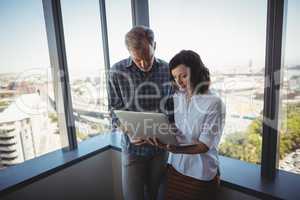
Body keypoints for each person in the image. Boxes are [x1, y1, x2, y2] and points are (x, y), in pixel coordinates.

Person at [149, 50, 226, 200]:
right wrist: (163, 132)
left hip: (200, 173)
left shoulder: (214, 102)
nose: (179, 82)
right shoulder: (178, 97)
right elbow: (181, 130)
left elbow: (204, 145)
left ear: (197, 73)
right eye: (175, 77)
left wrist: (175, 149)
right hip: (176, 168)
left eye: (184, 76)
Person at [108, 26, 173, 200]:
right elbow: (113, 111)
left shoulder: (168, 70)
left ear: (155, 46)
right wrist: (128, 130)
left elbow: (172, 108)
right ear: (129, 52)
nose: (144, 64)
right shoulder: (116, 72)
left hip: (161, 149)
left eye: (148, 57)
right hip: (132, 150)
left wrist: (171, 131)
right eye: (138, 60)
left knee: (154, 195)